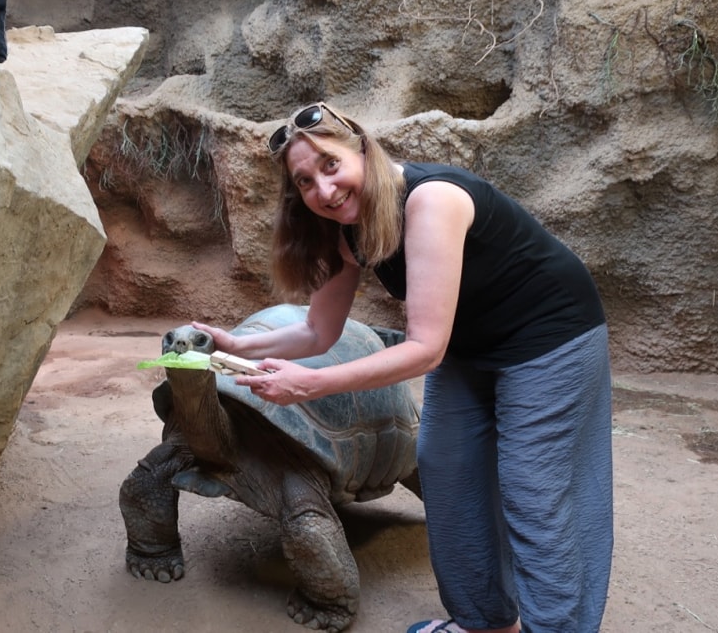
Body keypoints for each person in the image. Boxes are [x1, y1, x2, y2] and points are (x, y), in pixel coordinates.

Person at [191, 102, 613, 633]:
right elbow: (317, 331)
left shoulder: (431, 199)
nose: (323, 190)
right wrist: (237, 345)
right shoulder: (347, 232)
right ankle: (484, 623)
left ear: (363, 148)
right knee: (446, 469)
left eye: (330, 165)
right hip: (470, 345)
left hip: (551, 339)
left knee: (535, 493)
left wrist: (312, 384)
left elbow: (424, 350)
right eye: (304, 181)